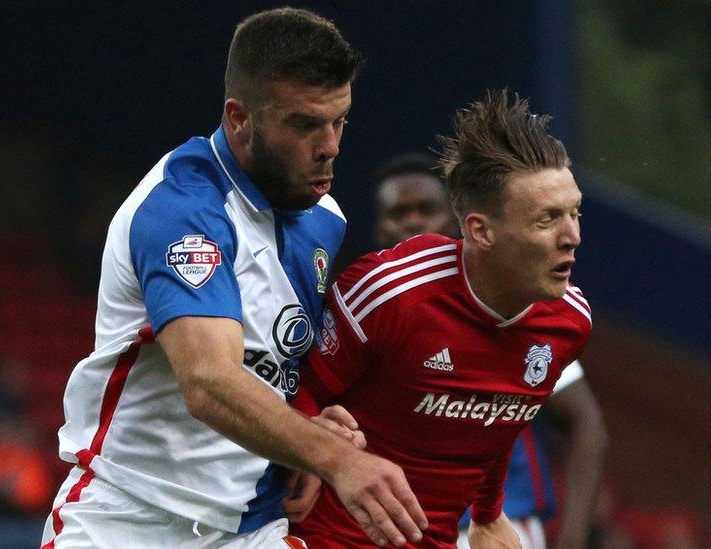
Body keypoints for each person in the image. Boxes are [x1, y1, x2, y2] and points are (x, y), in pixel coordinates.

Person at [40, 8, 426, 548]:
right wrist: (337, 458)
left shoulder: (324, 219)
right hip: (128, 519)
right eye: (305, 125)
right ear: (239, 117)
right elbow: (210, 382)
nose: (331, 146)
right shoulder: (182, 211)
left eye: (339, 121)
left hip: (252, 527)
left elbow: (279, 360)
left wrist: (312, 421)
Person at [292, 89, 593, 548]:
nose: (572, 236)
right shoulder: (391, 292)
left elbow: (500, 422)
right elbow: (300, 388)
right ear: (480, 230)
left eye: (574, 213)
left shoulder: (569, 321)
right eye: (546, 219)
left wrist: (489, 516)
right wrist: (312, 452)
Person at [371, 153, 607, 549]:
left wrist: (573, 534)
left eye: (426, 209)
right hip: (396, 529)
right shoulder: (362, 312)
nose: (412, 222)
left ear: (459, 221)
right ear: (380, 227)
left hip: (497, 529)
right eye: (398, 212)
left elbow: (586, 424)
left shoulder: (518, 304)